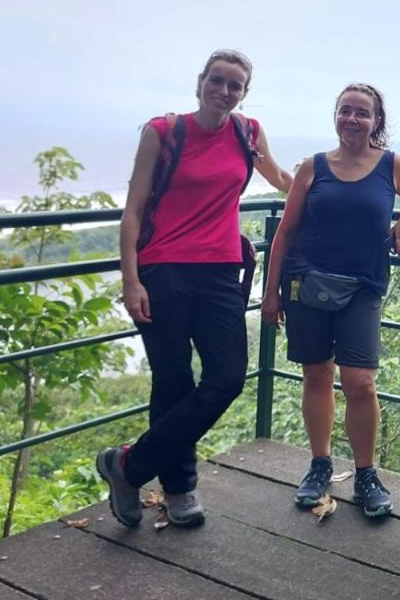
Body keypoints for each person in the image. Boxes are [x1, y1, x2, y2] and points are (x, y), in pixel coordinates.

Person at [99, 49, 293, 528]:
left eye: (235, 85)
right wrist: (131, 280)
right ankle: (179, 487)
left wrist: (345, 197)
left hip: (221, 270)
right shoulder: (163, 132)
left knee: (227, 375)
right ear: (201, 82)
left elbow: (286, 181)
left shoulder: (248, 133)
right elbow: (134, 210)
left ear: (245, 92)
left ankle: (128, 466)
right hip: (163, 270)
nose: (224, 91)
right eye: (217, 81)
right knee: (173, 379)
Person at [260, 83, 400, 517]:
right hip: (306, 283)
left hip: (363, 286)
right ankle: (319, 465)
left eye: (362, 113)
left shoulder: (390, 165)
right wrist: (269, 292)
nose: (352, 119)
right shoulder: (313, 168)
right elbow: (285, 232)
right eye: (345, 111)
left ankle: (366, 473)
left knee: (360, 383)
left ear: (377, 122)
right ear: (335, 116)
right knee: (316, 376)